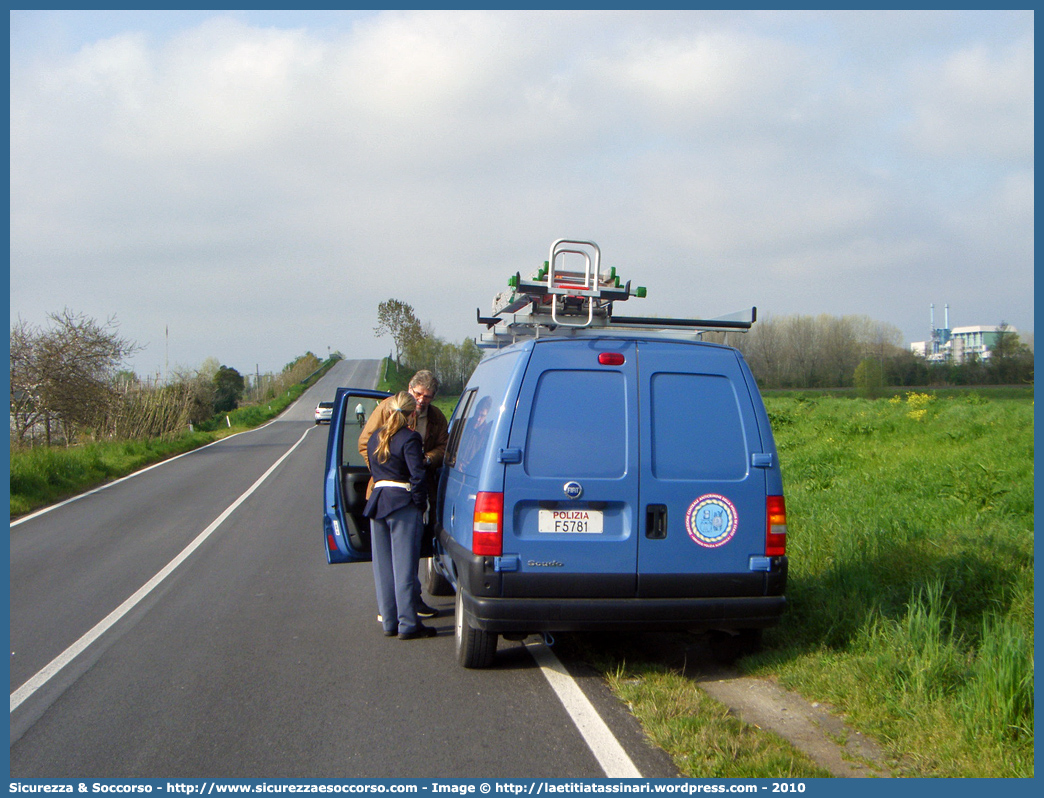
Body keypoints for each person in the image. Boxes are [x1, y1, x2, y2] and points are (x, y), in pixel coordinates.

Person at [359, 370, 449, 618]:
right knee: (390, 560)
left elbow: (444, 446)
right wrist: (385, 470)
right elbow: (365, 441)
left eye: (427, 397)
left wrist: (426, 460)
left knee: (409, 556)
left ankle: (406, 605)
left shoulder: (436, 417)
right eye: (418, 394)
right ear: (410, 389)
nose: (421, 401)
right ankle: (396, 612)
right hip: (389, 491)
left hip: (416, 490)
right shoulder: (389, 407)